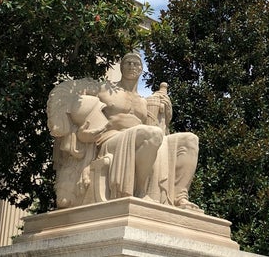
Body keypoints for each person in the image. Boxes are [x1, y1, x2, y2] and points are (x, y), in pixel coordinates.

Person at [47, 52, 201, 211]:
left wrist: (165, 116)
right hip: (110, 140)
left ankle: (179, 197)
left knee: (190, 140)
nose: (132, 66)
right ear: (121, 67)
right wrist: (66, 123)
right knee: (149, 134)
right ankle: (141, 192)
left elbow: (159, 134)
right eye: (128, 63)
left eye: (136, 64)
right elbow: (69, 90)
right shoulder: (106, 89)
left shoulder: (143, 102)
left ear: (141, 69)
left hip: (140, 137)